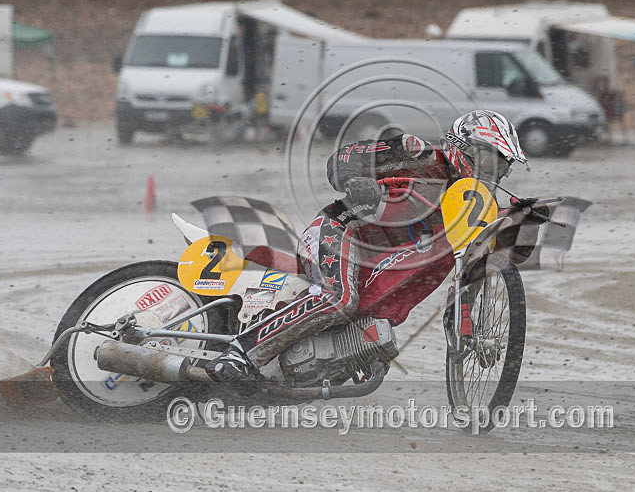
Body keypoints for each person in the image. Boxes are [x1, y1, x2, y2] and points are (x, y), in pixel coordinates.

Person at [205, 110, 527, 382]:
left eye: (501, 167)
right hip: (341, 229)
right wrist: (356, 182)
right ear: (462, 147)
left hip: (374, 261)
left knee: (361, 318)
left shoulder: (477, 205)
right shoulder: (418, 154)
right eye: (488, 159)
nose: (492, 172)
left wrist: (524, 219)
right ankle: (240, 351)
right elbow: (342, 159)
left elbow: (488, 260)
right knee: (339, 299)